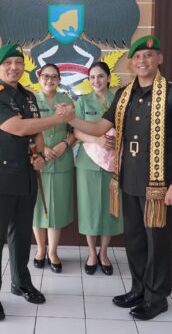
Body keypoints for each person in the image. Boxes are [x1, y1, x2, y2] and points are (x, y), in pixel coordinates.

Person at [62, 35, 172, 320]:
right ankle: (139, 289)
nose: (142, 60)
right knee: (135, 239)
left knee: (157, 242)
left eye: (149, 55)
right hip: (129, 180)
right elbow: (99, 127)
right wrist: (70, 118)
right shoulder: (124, 95)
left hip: (159, 185)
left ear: (159, 59)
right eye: (138, 57)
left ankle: (157, 298)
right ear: (131, 63)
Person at [0, 43, 73, 321]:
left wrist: (40, 155)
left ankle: (20, 282)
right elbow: (19, 127)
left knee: (21, 234)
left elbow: (37, 134)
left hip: (26, 174)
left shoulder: (29, 96)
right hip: (0, 177)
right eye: (7, 63)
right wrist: (57, 118)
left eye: (18, 63)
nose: (14, 67)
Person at [74, 61, 123, 276]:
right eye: (92, 77)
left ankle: (104, 253)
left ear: (109, 78)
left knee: (109, 209)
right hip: (88, 163)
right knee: (89, 208)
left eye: (100, 76)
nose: (96, 81)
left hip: (113, 163)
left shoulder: (118, 100)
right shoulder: (83, 101)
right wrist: (97, 140)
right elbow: (76, 132)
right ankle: (91, 253)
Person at [32, 63, 75, 274]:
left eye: (54, 77)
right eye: (46, 76)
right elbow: (26, 130)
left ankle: (53, 252)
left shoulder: (66, 101)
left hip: (61, 161)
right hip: (37, 161)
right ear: (39, 77)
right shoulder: (31, 100)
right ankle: (40, 250)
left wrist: (64, 144)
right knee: (37, 209)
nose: (49, 80)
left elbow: (75, 131)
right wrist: (43, 148)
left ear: (59, 80)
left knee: (56, 209)